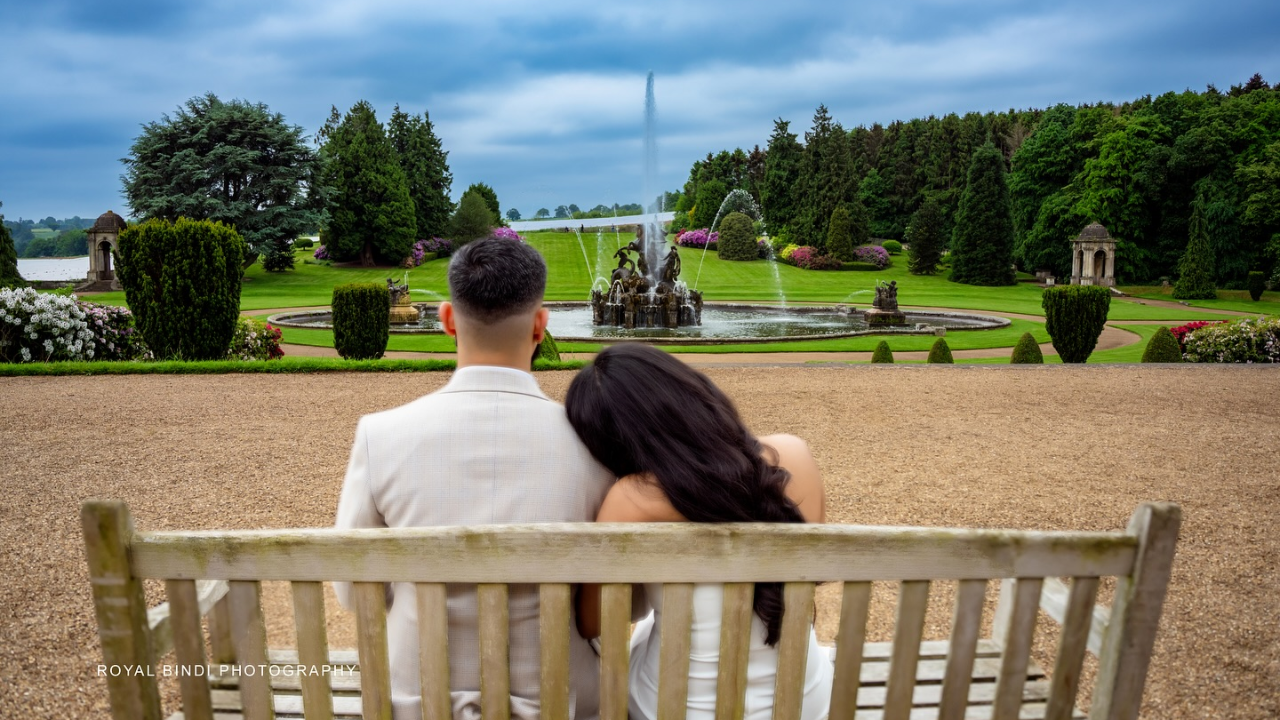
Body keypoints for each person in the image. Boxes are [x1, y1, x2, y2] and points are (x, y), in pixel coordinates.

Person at [333, 236, 616, 720]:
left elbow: (352, 590)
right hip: (559, 701)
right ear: (540, 326)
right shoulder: (595, 441)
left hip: (414, 701)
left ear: (447, 320)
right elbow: (618, 607)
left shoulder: (379, 434)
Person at [563, 344, 833, 720]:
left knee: (644, 636)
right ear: (691, 392)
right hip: (802, 703)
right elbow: (812, 577)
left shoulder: (633, 499)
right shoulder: (795, 455)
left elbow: (594, 621)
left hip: (677, 709)